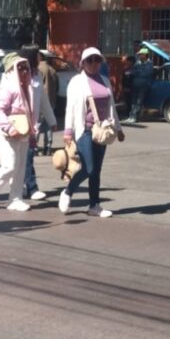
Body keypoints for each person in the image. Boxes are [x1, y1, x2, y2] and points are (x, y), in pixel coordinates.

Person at [0, 49, 44, 211]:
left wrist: (32, 131)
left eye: (26, 68)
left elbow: (31, 111)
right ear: (11, 70)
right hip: (7, 133)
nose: (24, 71)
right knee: (10, 165)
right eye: (20, 68)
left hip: (24, 132)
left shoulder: (28, 87)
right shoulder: (6, 88)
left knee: (20, 167)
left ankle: (15, 198)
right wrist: (9, 127)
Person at [59, 48, 118, 218]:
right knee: (89, 168)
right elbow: (70, 108)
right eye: (89, 60)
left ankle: (94, 206)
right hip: (84, 130)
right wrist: (68, 131)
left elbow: (111, 106)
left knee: (96, 170)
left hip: (102, 131)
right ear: (82, 63)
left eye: (97, 60)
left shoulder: (105, 80)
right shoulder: (76, 82)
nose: (93, 63)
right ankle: (68, 191)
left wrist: (118, 128)